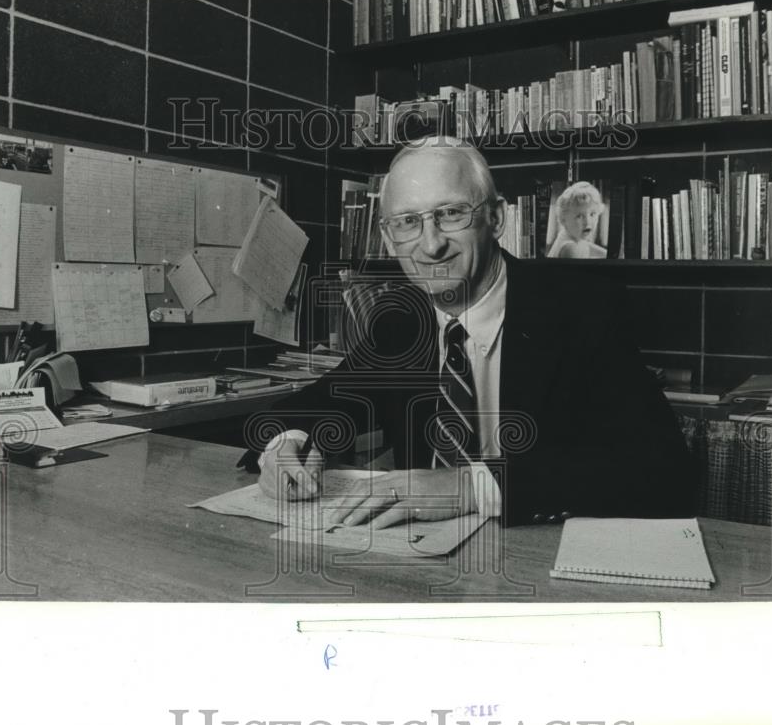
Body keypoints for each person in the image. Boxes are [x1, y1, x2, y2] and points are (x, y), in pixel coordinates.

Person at [254, 137, 696, 528]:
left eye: (450, 214)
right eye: (407, 222)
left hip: (543, 563)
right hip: (423, 565)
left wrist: (467, 487)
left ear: (497, 219)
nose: (430, 245)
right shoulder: (401, 323)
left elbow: (662, 469)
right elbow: (312, 405)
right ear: (388, 240)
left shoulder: (581, 311)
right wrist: (284, 445)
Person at [546, 181, 608, 259]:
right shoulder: (570, 248)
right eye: (579, 216)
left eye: (592, 214)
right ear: (563, 220)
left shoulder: (574, 236)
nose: (587, 222)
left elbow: (589, 247)